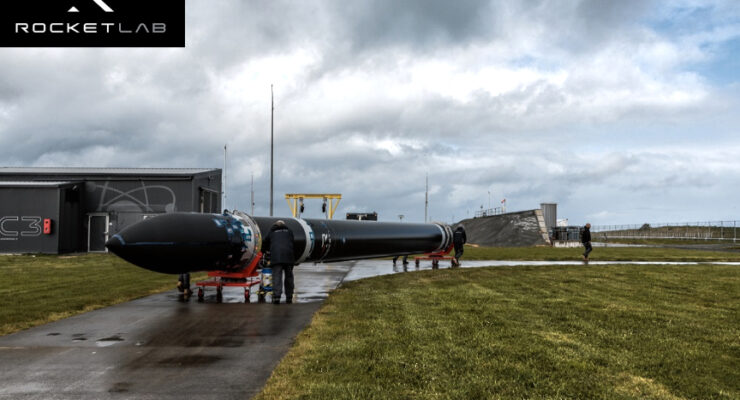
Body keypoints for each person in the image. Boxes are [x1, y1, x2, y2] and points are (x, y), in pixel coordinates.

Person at [263, 220, 295, 304]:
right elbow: (292, 241)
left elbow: (266, 242)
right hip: (288, 256)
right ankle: (289, 296)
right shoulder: (289, 231)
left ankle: (277, 297)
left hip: (276, 257)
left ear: (275, 225)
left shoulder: (272, 231)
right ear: (284, 225)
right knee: (289, 277)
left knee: (277, 276)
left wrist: (265, 251)